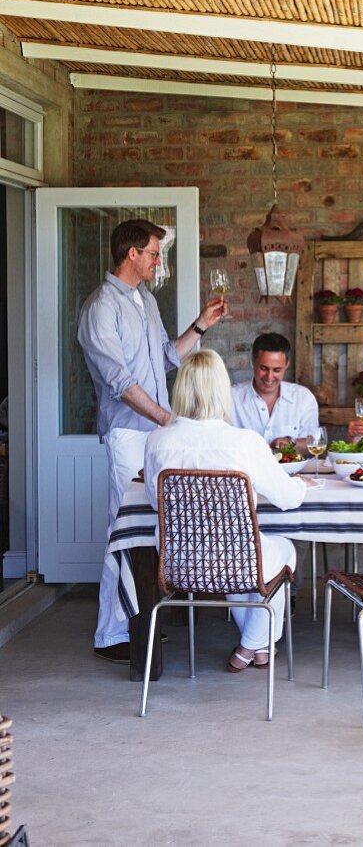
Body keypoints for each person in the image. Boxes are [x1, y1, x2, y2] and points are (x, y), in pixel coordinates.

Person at [78, 218, 226, 664]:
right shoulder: (101, 308)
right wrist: (168, 419)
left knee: (153, 531)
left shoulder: (144, 299)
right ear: (132, 254)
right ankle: (111, 634)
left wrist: (201, 325)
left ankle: (140, 623)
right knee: (124, 532)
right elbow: (120, 382)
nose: (158, 261)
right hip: (128, 434)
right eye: (154, 253)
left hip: (156, 434)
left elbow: (165, 358)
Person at [144, 350, 306, 671]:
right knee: (280, 552)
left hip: (178, 562)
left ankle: (257, 647)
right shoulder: (244, 442)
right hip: (237, 560)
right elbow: (289, 499)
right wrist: (298, 483)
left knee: (250, 556)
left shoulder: (157, 441)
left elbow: (154, 503)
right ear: (222, 390)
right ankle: (251, 647)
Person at [231, 332, 319, 454]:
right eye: (264, 368)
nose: (269, 377)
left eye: (277, 370)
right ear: (253, 362)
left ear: (286, 364)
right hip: (245, 472)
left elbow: (313, 443)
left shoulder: (303, 397)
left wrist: (291, 443)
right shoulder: (232, 398)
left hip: (292, 472)